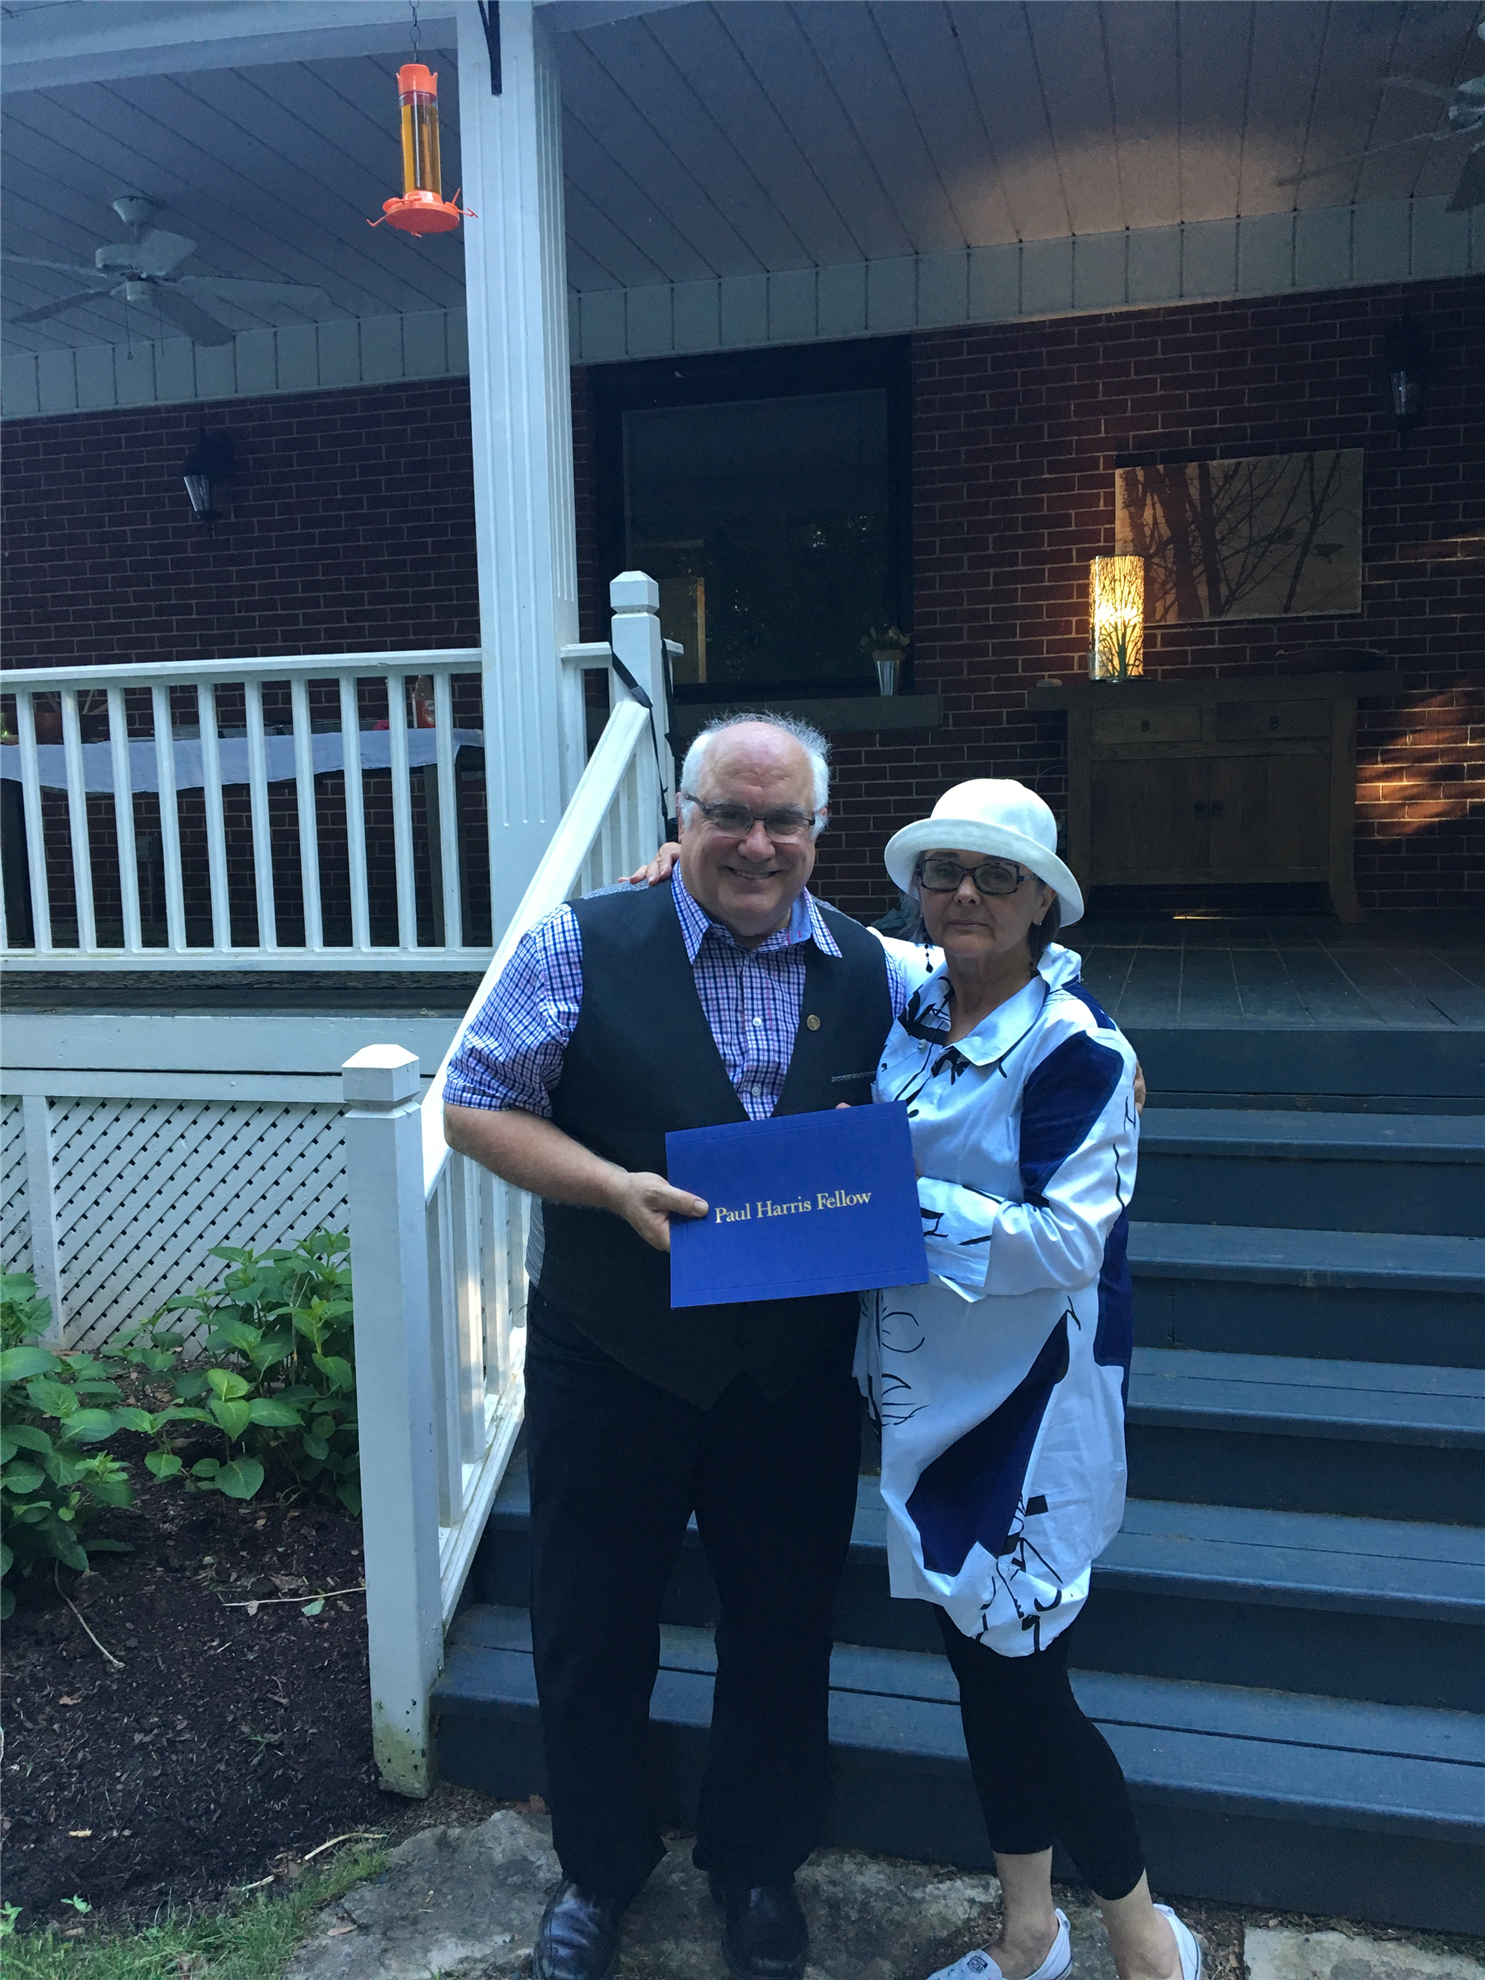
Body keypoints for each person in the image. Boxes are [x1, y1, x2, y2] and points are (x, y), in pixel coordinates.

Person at [443, 713, 910, 1980]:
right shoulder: (581, 941)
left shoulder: (879, 968)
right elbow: (473, 1100)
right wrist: (608, 1186)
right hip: (614, 1353)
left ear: (820, 831)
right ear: (681, 819)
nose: (757, 845)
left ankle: (757, 1866)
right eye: (729, 816)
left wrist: (1108, 1051)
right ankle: (599, 1869)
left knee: (782, 1625)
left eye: (783, 820)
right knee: (591, 1624)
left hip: (791, 1373)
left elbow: (1011, 983)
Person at [861, 779, 1200, 1980]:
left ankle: (1139, 1930)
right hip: (925, 1397)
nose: (966, 893)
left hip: (1029, 1410)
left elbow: (1067, 1244)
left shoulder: (1079, 1050)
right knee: (983, 1670)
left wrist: (884, 1201)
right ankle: (1028, 1932)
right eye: (944, 870)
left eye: (998, 875)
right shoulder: (912, 996)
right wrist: (671, 868)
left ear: (1043, 902)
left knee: (1024, 1683)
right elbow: (817, 928)